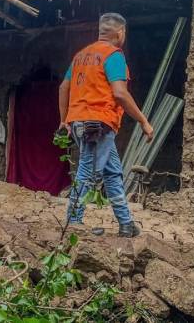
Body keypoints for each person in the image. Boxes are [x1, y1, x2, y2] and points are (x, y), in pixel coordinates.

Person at [58, 12, 154, 238]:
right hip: (99, 124)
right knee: (88, 172)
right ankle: (73, 222)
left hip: (81, 121)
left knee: (112, 173)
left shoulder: (81, 56)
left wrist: (64, 119)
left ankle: (126, 223)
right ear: (120, 33)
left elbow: (64, 87)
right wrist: (143, 121)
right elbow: (120, 93)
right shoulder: (113, 55)